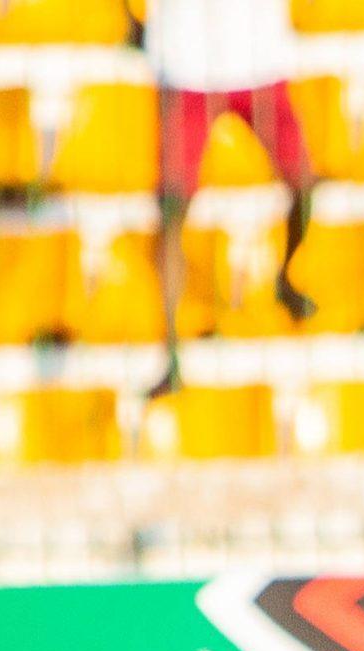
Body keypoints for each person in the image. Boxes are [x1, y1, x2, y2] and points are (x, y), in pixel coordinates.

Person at [138, 0, 317, 399]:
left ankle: (286, 277)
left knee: (305, 181)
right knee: (171, 212)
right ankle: (170, 352)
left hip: (259, 58)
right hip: (185, 61)